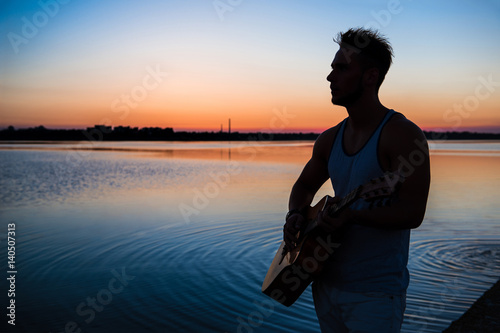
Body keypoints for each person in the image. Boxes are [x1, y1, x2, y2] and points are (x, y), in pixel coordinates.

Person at [283, 28, 431, 332]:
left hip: (375, 292)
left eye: (341, 68)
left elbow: (413, 213)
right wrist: (296, 213)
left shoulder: (402, 135)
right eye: (332, 67)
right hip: (324, 279)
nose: (330, 77)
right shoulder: (329, 139)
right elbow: (304, 187)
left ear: (370, 76)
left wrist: (354, 215)